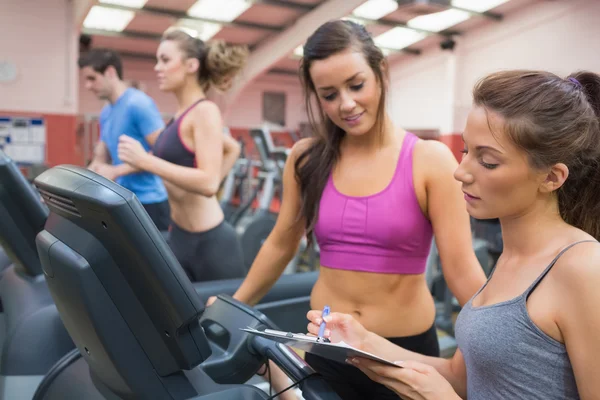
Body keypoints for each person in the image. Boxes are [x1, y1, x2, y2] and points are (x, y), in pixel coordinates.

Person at [208, 20, 486, 399]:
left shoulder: (428, 159)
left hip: (404, 353)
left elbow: (460, 267)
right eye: (329, 94)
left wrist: (503, 335)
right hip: (326, 348)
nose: (347, 104)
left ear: (381, 72)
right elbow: (280, 243)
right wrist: (234, 306)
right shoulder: (306, 159)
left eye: (356, 85)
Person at [307, 70, 600, 400]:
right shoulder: (510, 260)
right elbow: (461, 378)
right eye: (465, 152)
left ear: (551, 176)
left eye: (487, 162)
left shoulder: (583, 267)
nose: (460, 172)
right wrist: (364, 342)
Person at [117, 29, 247, 283]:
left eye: (165, 60)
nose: (157, 68)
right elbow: (232, 148)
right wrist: (117, 170)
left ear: (191, 65)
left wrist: (146, 160)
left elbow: (208, 183)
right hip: (179, 236)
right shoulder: (181, 115)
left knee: (223, 323)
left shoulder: (205, 111)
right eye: (158, 60)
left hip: (210, 243)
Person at [78, 48, 171, 231]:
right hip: (122, 199)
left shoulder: (138, 104)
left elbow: (163, 152)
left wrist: (116, 171)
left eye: (92, 78)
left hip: (149, 202)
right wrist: (72, 186)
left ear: (110, 72)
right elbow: (100, 158)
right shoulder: (106, 112)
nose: (87, 86)